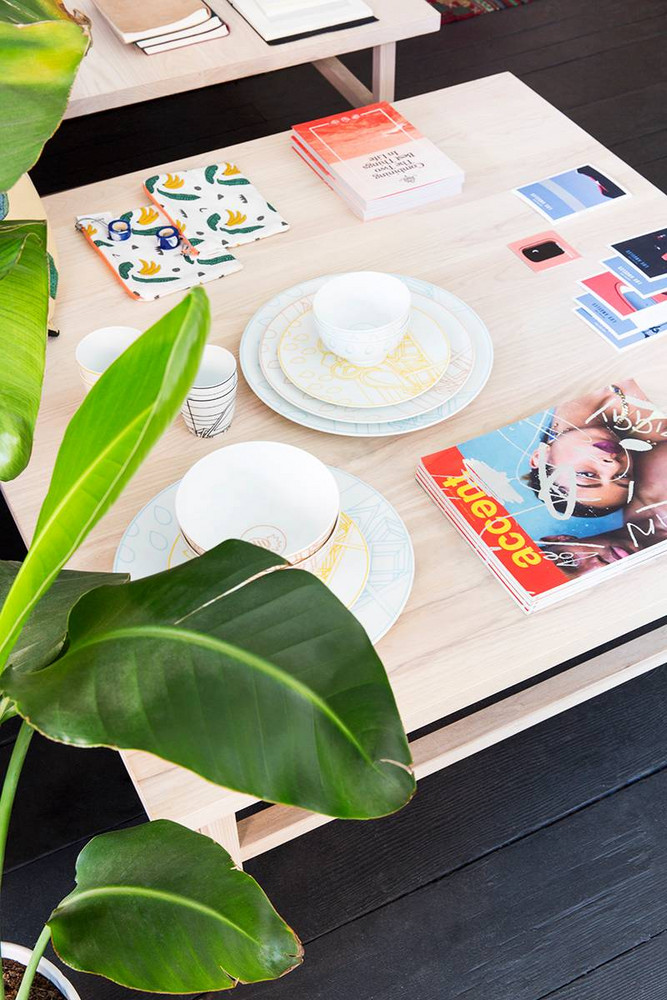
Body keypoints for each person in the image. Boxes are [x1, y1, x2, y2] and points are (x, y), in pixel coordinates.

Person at [523, 379, 667, 520]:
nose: (613, 465)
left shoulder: (544, 385)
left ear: (541, 457)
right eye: (622, 476)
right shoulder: (657, 429)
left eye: (588, 475)